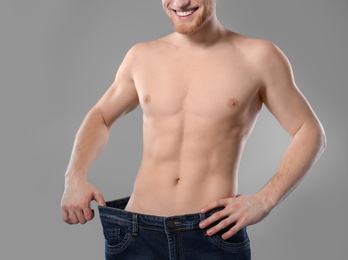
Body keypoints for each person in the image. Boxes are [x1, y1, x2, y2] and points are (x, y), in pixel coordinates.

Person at [61, 0, 326, 259]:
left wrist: (265, 200)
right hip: (136, 235)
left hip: (212, 236)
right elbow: (101, 116)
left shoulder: (258, 56)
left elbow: (310, 131)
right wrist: (74, 177)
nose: (181, 2)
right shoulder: (141, 57)